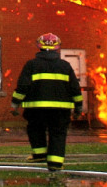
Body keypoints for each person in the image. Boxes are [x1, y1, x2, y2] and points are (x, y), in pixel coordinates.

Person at [10, 33, 83, 172]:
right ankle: (55, 164)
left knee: (36, 129)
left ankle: (39, 155)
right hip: (60, 109)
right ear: (58, 47)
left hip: (36, 108)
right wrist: (78, 107)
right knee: (58, 133)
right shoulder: (65, 66)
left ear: (39, 46)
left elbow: (23, 86)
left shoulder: (31, 65)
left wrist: (15, 104)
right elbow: (74, 88)